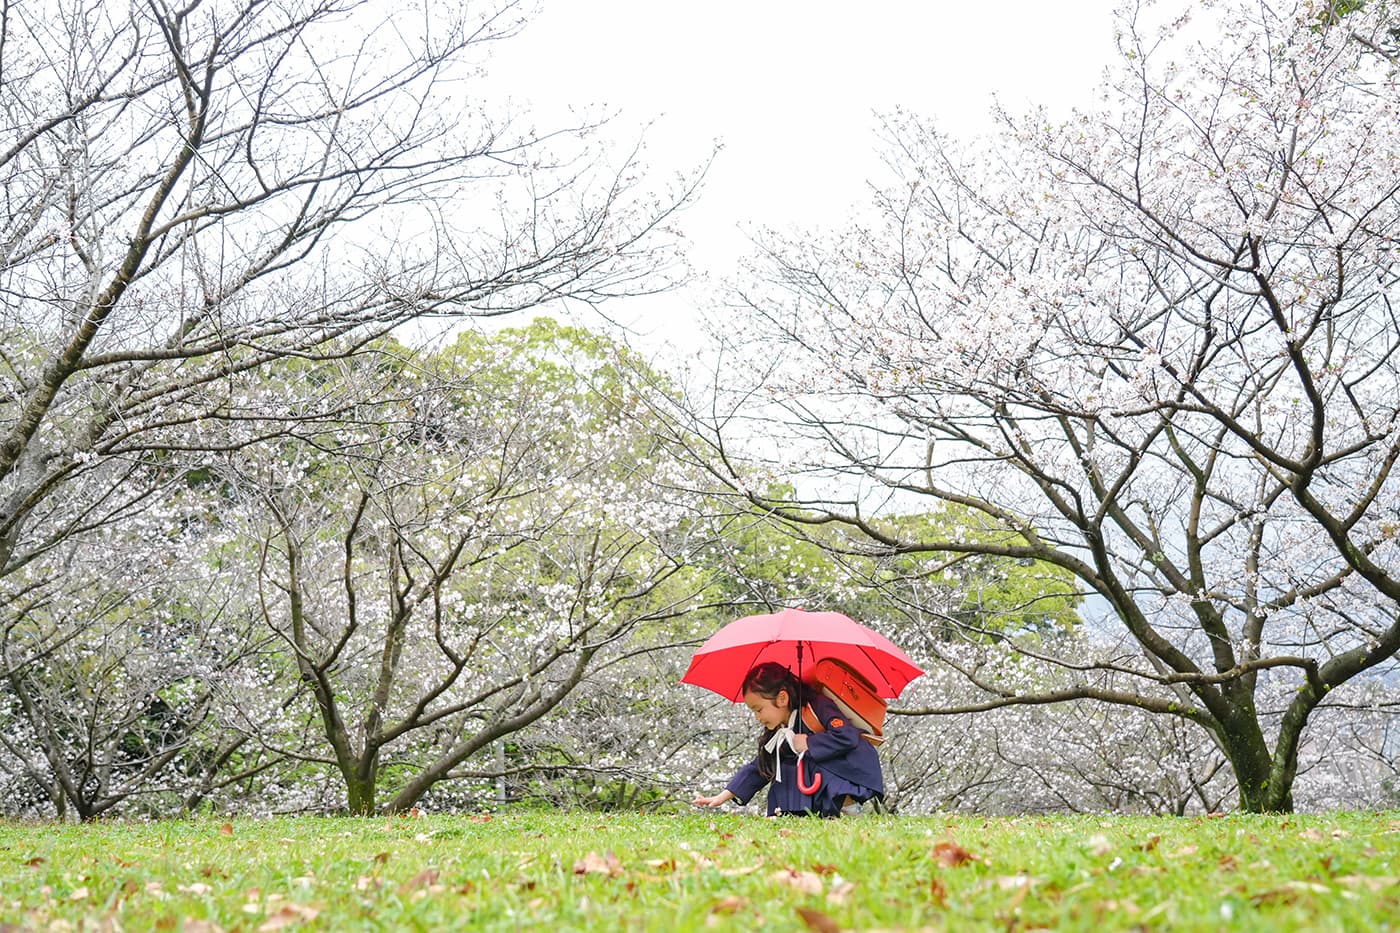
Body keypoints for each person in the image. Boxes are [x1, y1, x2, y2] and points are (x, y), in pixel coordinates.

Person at [692, 661, 883, 817]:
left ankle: (848, 809)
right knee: (783, 767)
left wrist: (809, 743)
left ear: (782, 698)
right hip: (818, 773)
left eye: (759, 709)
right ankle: (788, 814)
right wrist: (724, 795)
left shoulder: (818, 705)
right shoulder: (780, 729)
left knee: (803, 761)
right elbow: (761, 766)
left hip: (850, 768)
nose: (757, 717)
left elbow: (846, 736)